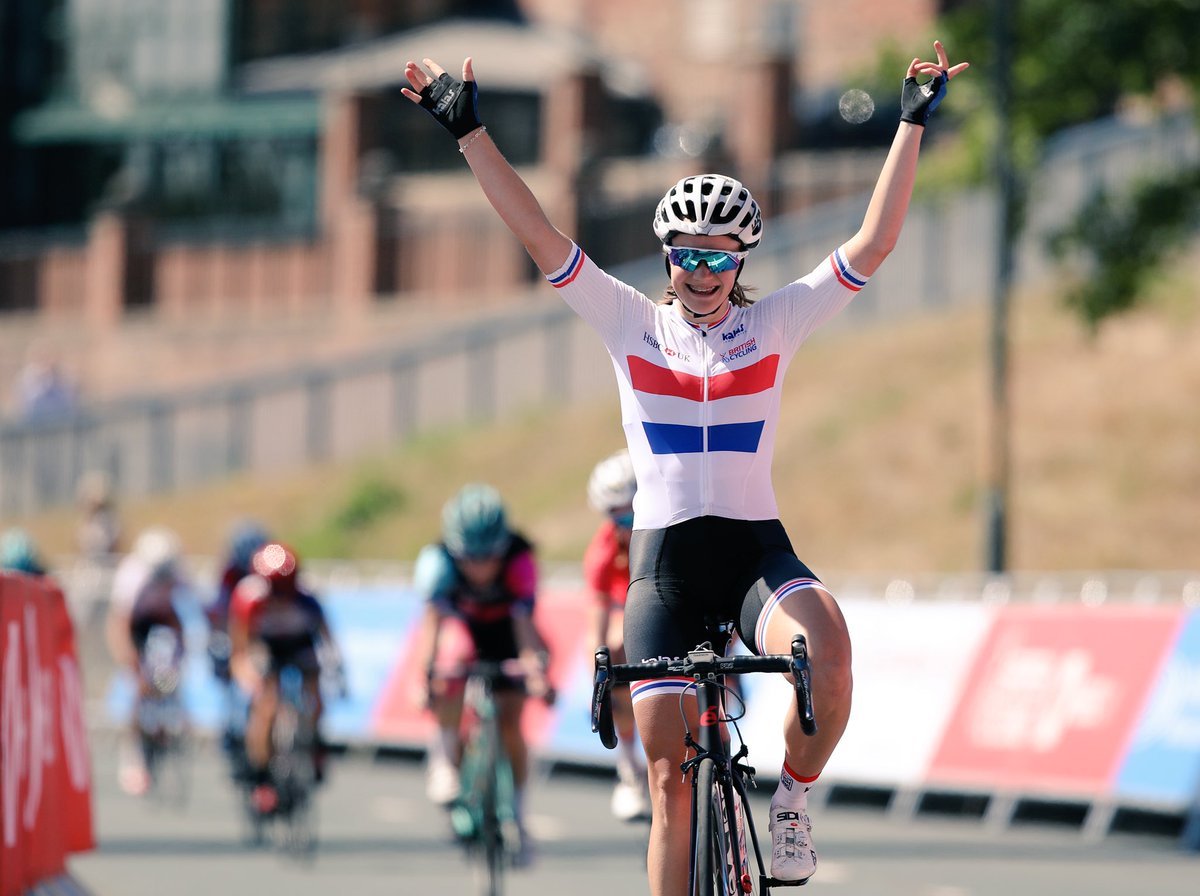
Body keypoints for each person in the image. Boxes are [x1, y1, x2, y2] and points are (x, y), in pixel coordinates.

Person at [403, 41, 968, 893]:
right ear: (667, 258)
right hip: (663, 572)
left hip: (752, 554)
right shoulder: (628, 322)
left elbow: (874, 244)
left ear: (741, 263)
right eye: (687, 255)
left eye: (720, 257)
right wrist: (471, 131)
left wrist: (910, 123)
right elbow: (537, 231)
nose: (702, 273)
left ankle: (792, 800)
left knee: (831, 650)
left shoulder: (777, 322)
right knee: (671, 783)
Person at [412, 483, 552, 861]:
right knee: (452, 662)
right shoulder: (437, 564)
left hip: (508, 632)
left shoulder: (520, 560)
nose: (479, 567)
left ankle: (518, 815)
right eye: (468, 558)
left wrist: (536, 674)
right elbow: (432, 629)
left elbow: (525, 627)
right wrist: (423, 677)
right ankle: (444, 761)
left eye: (488, 556)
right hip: (464, 629)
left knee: (511, 723)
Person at [227, 542, 342, 813]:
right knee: (266, 705)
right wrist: (248, 676)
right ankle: (263, 777)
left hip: (300, 644)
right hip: (266, 647)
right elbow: (241, 649)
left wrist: (335, 668)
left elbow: (327, 640)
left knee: (316, 695)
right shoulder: (249, 599)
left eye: (286, 590)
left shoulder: (307, 598)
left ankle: (314, 744)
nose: (280, 597)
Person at [583, 448, 649, 822]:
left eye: (634, 510)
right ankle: (629, 769)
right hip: (630, 609)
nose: (628, 522)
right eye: (618, 515)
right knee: (612, 647)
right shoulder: (604, 549)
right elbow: (597, 609)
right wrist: (599, 660)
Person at [104, 526, 189, 795]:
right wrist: (130, 660)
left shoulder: (175, 569)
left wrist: (180, 655)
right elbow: (121, 624)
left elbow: (184, 615)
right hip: (135, 626)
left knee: (171, 673)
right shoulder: (131, 575)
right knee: (140, 686)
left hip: (163, 622)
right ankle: (133, 754)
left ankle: (169, 719)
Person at [205, 520, 271, 757]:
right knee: (225, 661)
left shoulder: (269, 570)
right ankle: (232, 727)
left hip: (257, 632)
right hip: (233, 630)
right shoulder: (229, 573)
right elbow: (219, 610)